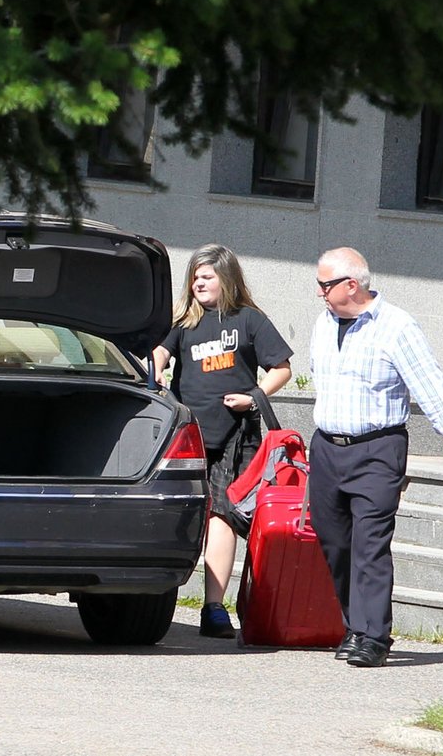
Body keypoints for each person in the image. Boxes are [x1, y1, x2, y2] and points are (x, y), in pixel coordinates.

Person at [308, 247, 443, 668]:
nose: (319, 293)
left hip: (377, 449)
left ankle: (374, 636)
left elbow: (428, 383)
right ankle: (354, 626)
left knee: (370, 544)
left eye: (325, 284)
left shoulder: (396, 326)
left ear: (352, 285)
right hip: (327, 447)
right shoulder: (323, 323)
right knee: (334, 543)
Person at [152, 244, 293, 638]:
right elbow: (158, 353)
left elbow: (281, 368)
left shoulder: (249, 320)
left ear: (226, 279)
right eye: (195, 276)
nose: (199, 282)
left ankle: (213, 608)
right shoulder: (184, 322)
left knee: (224, 516)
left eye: (207, 276)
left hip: (236, 438)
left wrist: (254, 397)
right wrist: (158, 370)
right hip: (188, 438)